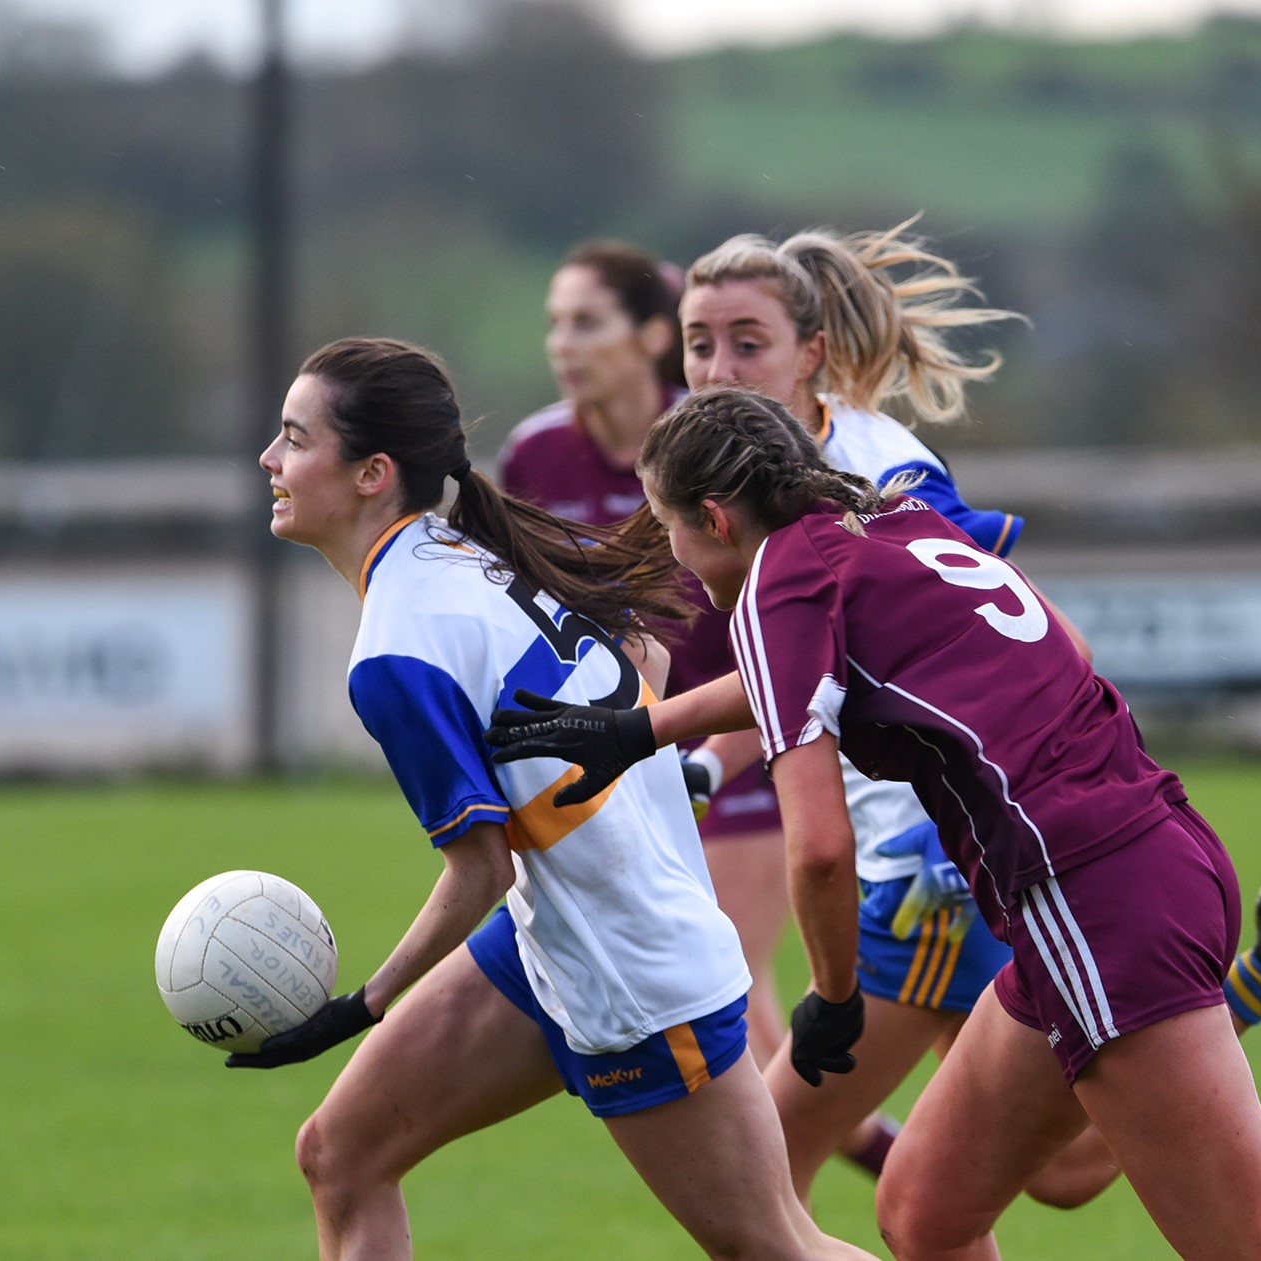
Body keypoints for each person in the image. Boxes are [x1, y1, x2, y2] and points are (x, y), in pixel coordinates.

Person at [493, 385, 1261, 1260]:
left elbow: (817, 848)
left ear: (714, 518)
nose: (672, 559)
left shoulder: (775, 586)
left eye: (666, 528)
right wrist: (641, 729)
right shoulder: (885, 522)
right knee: (924, 1209)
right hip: (1123, 866)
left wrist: (834, 997)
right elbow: (828, 680)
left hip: (1091, 895)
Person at [664, 221, 1261, 1207]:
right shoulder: (767, 483)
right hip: (1017, 867)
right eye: (697, 343)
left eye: (744, 341)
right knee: (1019, 1180)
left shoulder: (878, 483)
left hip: (929, 871)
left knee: (765, 1181)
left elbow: (976, 653)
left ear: (813, 353)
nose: (713, 367)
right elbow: (803, 676)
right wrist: (682, 754)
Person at [241, 338, 875, 1261]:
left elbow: (481, 868)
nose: (270, 459)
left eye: (294, 439)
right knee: (340, 1154)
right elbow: (640, 659)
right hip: (556, 940)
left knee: (775, 1248)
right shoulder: (467, 549)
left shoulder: (394, 651)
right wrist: (647, 792)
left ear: (374, 473)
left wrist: (361, 1005)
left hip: (634, 979)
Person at [498, 240, 795, 1072]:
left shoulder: (710, 440)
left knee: (737, 1016)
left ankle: (867, 1185)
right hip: (616, 755)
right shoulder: (534, 455)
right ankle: (873, 1179)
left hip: (727, 743)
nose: (563, 344)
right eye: (555, 324)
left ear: (650, 338)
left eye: (587, 322)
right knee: (727, 1032)